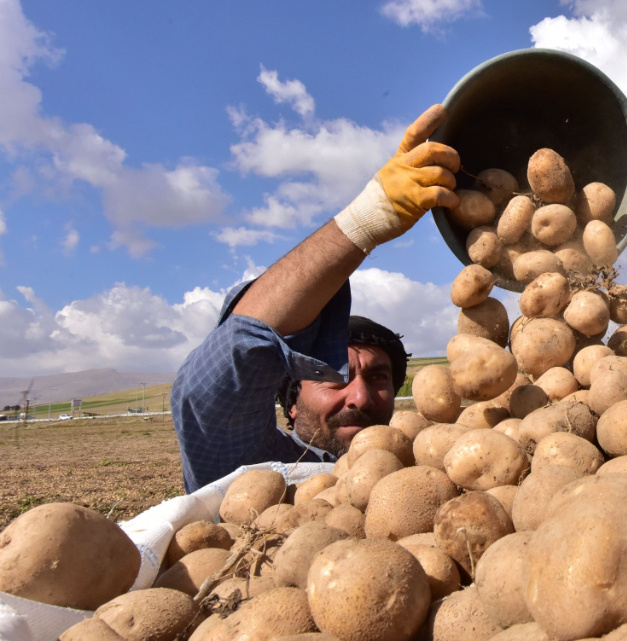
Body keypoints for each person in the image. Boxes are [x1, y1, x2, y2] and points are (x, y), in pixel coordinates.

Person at [172, 105, 461, 492]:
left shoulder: (424, 469)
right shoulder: (261, 471)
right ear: (292, 404)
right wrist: (365, 220)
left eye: (378, 378)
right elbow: (211, 388)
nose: (359, 397)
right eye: (334, 378)